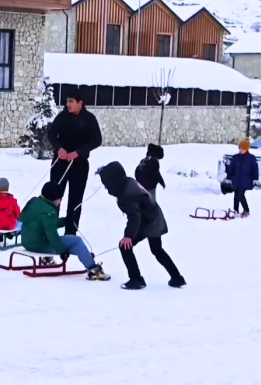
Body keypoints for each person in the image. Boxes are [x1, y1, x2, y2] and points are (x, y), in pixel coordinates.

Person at [96, 161, 184, 290]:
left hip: (149, 221)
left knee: (125, 246)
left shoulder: (127, 194)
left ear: (114, 181)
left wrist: (128, 236)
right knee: (157, 250)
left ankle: (136, 279)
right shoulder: (128, 183)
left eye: (106, 183)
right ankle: (177, 277)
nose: (106, 187)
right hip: (153, 217)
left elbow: (134, 217)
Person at [18, 182, 110, 281]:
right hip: (40, 245)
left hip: (27, 242)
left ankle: (86, 257)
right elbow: (51, 234)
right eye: (59, 198)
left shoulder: (34, 202)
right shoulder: (49, 211)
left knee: (72, 244)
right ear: (53, 198)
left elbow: (44, 224)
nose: (60, 201)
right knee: (76, 241)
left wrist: (66, 220)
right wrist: (61, 251)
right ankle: (93, 269)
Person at [46, 87, 103, 235]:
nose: (68, 104)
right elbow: (51, 135)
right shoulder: (62, 117)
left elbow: (97, 140)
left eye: (71, 101)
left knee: (75, 200)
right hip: (60, 162)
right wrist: (59, 148)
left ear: (80, 103)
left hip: (79, 164)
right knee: (54, 197)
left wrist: (78, 152)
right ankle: (49, 230)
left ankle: (71, 233)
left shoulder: (89, 119)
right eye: (67, 101)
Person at [227, 140, 259, 217]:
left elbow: (255, 169)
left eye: (242, 148)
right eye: (240, 148)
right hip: (236, 179)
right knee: (236, 196)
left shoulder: (251, 158)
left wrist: (255, 178)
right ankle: (235, 210)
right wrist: (229, 177)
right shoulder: (236, 157)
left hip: (246, 180)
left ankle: (246, 210)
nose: (241, 150)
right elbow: (231, 168)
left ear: (246, 149)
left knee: (241, 195)